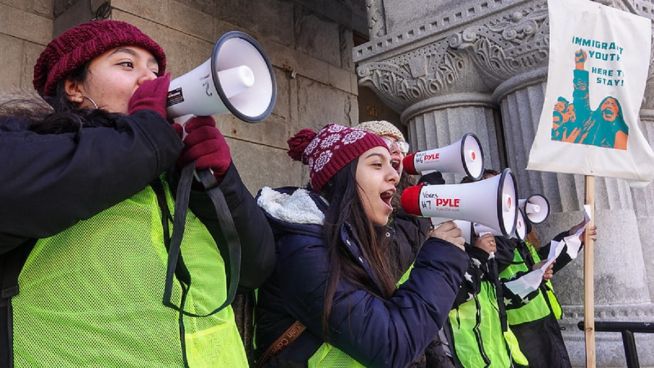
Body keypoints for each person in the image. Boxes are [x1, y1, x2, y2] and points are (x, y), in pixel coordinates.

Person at [0, 19, 275, 367]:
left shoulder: (171, 170)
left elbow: (255, 268)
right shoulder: (27, 143)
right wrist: (145, 138)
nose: (150, 79)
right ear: (73, 86)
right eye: (126, 64)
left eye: (156, 70)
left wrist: (220, 181)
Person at [254, 123, 468, 367]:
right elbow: (390, 344)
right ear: (342, 175)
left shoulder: (353, 242)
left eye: (392, 164)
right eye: (377, 164)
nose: (395, 175)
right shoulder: (303, 250)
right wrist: (441, 260)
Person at [356, 120, 456, 368]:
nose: (398, 152)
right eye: (387, 146)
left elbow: (413, 290)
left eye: (401, 146)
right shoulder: (363, 217)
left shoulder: (403, 206)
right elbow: (387, 271)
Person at [446, 170, 527, 368]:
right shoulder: (449, 247)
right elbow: (451, 295)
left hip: (499, 355)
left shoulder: (484, 251)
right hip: (468, 356)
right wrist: (479, 254)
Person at [498, 220, 597, 368]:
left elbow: (545, 259)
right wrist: (533, 274)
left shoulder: (521, 242)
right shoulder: (494, 246)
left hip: (543, 319)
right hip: (521, 328)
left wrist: (573, 237)